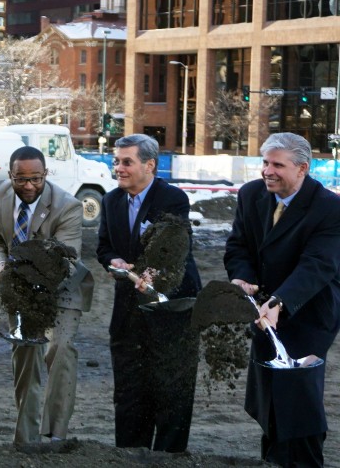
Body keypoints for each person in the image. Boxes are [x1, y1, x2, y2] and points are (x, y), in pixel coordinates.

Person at [224, 132, 340, 467]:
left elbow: (317, 266)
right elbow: (239, 246)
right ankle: (274, 460)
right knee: (270, 396)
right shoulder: (251, 195)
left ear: (303, 168)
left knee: (299, 398)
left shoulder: (329, 208)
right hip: (262, 310)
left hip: (309, 311)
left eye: (278, 164)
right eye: (265, 162)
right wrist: (241, 276)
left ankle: (305, 462)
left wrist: (279, 302)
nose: (267, 171)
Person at [96, 133, 201, 452]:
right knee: (129, 391)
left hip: (171, 308)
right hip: (128, 311)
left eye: (127, 162)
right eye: (116, 161)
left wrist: (153, 275)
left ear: (150, 165)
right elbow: (103, 246)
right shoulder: (111, 201)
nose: (118, 168)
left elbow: (172, 247)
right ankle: (129, 455)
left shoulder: (173, 199)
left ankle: (167, 458)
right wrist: (111, 260)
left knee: (171, 392)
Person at [0, 146, 91, 444]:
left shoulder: (67, 206)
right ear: (10, 176)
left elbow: (66, 260)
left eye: (36, 179)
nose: (29, 186)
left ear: (46, 174)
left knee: (59, 350)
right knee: (25, 355)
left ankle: (54, 435)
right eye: (21, 179)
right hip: (17, 288)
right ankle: (27, 439)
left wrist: (29, 278)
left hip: (61, 287)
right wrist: (1, 266)